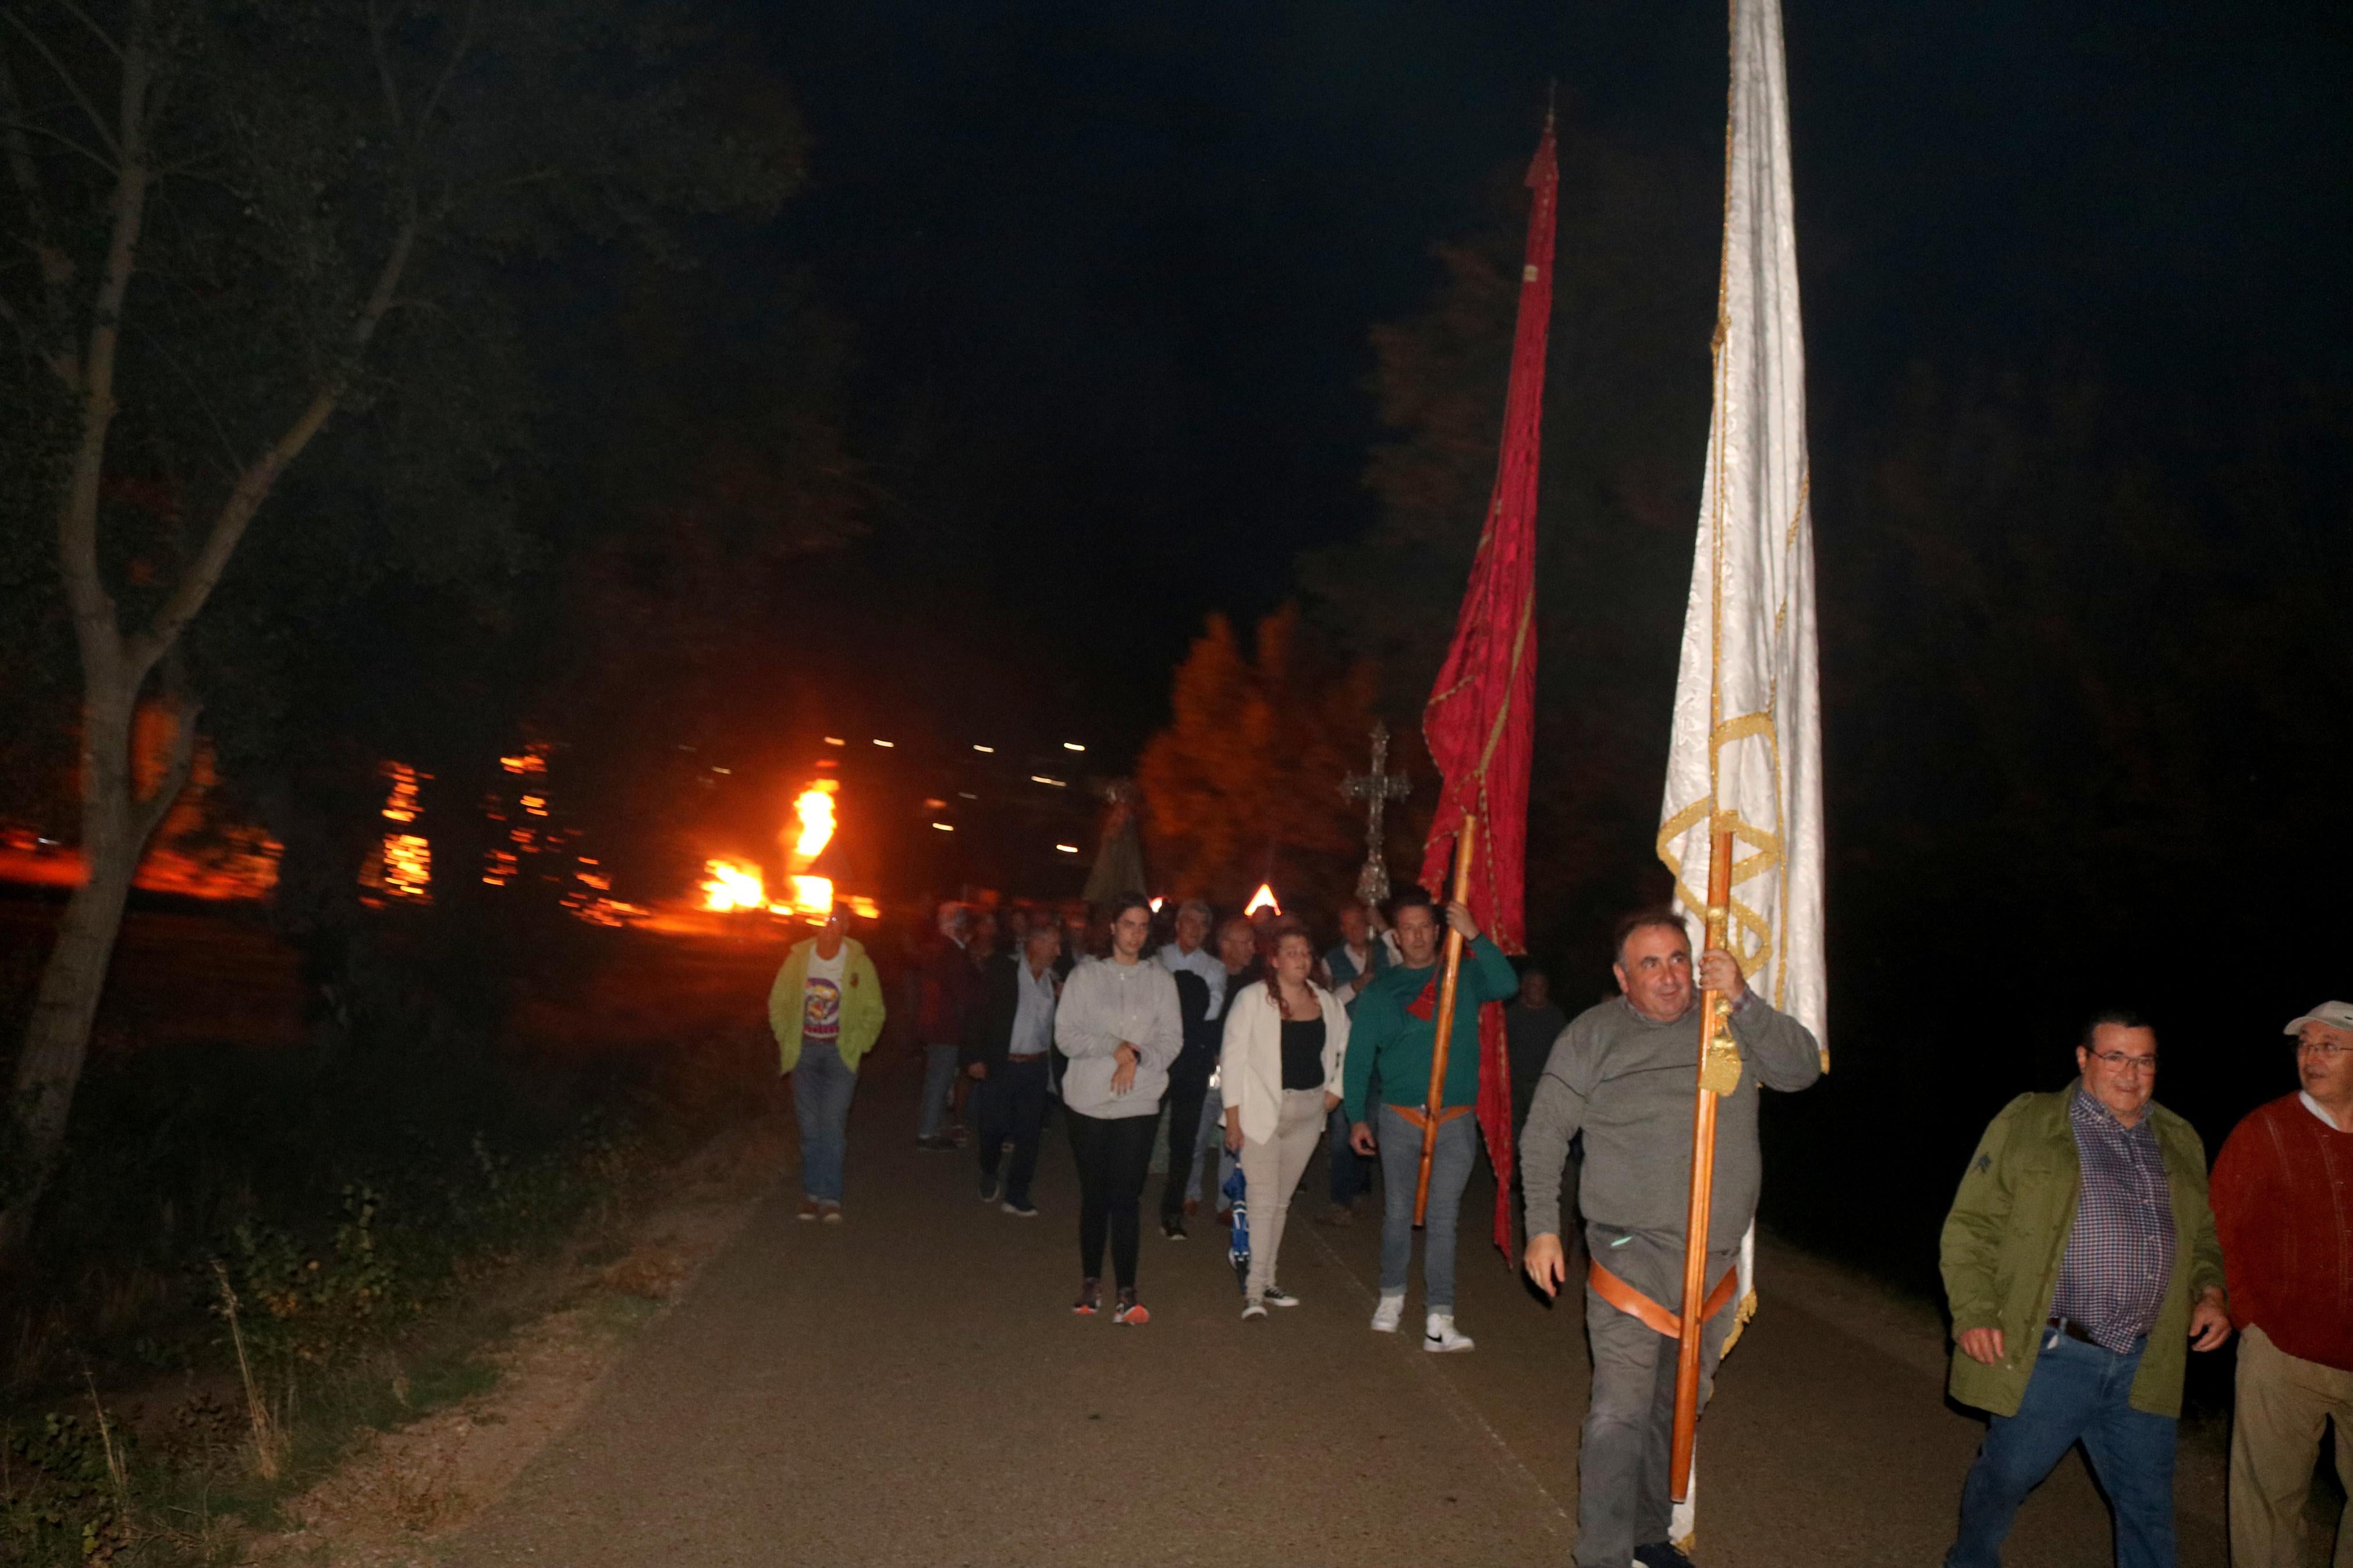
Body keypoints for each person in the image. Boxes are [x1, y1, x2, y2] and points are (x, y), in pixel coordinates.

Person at [1520, 908, 1821, 1568]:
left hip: (1712, 1263)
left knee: (1673, 1408)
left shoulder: (1727, 1023)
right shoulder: (1592, 1035)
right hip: (1629, 1256)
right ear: (1622, 977)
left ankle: (1648, 1535)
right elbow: (1544, 1133)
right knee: (1617, 1415)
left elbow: (1801, 1070)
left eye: (1678, 958)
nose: (1668, 975)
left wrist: (1741, 998)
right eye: (1649, 963)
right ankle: (1599, 1555)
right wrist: (1542, 1227)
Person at [1937, 1011, 2230, 1568]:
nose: (2130, 1072)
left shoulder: (2177, 1136)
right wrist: (1974, 1310)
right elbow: (1971, 1224)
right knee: (2006, 1478)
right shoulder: (2032, 1120)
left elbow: (2202, 1237)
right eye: (2114, 1056)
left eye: (2143, 1059)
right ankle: (1969, 1560)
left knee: (2147, 1505)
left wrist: (2210, 1291)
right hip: (2053, 1353)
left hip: (2145, 1360)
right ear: (2082, 1059)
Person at [1343, 884, 1518, 1352]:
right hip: (1400, 1118)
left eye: (1425, 927)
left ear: (1438, 931)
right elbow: (1358, 1058)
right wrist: (1357, 1117)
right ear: (1395, 937)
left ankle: (1439, 1317)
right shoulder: (1382, 992)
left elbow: (1507, 984)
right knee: (1398, 1211)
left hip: (1455, 1119)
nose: (1417, 936)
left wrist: (1476, 935)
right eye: (1408, 929)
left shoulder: (1462, 976)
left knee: (1444, 1217)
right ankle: (1391, 1297)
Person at [2210, 1000, 2353, 1568]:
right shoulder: (2263, 1130)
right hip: (2281, 1356)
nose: (2310, 1057)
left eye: (2327, 1046)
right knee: (2267, 1512)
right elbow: (2217, 1226)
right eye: (2303, 1045)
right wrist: (2250, 1315)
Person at [1053, 893, 1181, 1325]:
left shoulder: (1160, 980)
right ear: (1112, 926)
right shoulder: (1086, 976)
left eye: (1143, 926)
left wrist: (1138, 1058)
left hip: (1138, 1101)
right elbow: (1067, 1036)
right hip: (1088, 1099)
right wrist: (1115, 1048)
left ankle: (1128, 1288)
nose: (1135, 933)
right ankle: (1091, 1280)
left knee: (1126, 1195)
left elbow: (1171, 1039)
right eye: (1128, 924)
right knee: (1095, 1194)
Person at [1220, 920, 1348, 1318]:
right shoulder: (1253, 999)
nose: (1300, 958)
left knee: (1280, 1202)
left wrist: (1336, 1090)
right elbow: (1233, 1058)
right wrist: (1233, 1118)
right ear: (1273, 959)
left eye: (1305, 952)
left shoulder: (1326, 1002)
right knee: (1261, 1201)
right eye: (1290, 951)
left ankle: (1268, 1279)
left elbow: (1347, 1046)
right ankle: (1254, 1292)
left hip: (1308, 1112)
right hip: (1262, 1112)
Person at [767, 906, 886, 1222]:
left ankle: (831, 1196)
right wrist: (785, 1036)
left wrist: (859, 1044)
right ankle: (811, 1194)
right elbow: (778, 1001)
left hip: (839, 1054)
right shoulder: (799, 959)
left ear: (846, 926)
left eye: (837, 921)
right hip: (805, 1051)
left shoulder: (859, 964)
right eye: (826, 920)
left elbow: (875, 1010)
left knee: (832, 1125)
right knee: (809, 1126)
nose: (830, 927)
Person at [963, 922, 1064, 1218]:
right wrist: (975, 1057)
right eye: (1054, 945)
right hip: (1003, 1063)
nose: (1059, 952)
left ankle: (1017, 1194)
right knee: (993, 1126)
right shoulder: (1003, 973)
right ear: (1036, 944)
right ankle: (990, 1169)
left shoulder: (1053, 982)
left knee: (1030, 1134)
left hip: (1035, 1067)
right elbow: (977, 1014)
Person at [1315, 902, 1389, 1227]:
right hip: (1347, 1053)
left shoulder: (1386, 952)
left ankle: (1359, 1182)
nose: (1356, 929)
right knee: (1345, 1125)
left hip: (1382, 1052)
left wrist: (1384, 927)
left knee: (1370, 1122)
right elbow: (1325, 1002)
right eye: (1349, 924)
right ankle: (1340, 1200)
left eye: (1361, 922)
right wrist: (1357, 985)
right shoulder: (1331, 960)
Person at [1156, 899, 1227, 1239]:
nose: (1194, 930)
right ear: (1177, 924)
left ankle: (1172, 1212)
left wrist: (1173, 999)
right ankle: (1125, 1196)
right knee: (1140, 1130)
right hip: (1157, 1057)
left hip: (1193, 1060)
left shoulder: (1215, 967)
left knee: (1184, 1139)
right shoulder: (1157, 957)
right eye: (1189, 922)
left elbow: (1210, 1009)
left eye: (1201, 924)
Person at [1191, 915, 1264, 1221]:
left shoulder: (1257, 983)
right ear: (1225, 944)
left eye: (1252, 941)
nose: (1252, 948)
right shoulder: (1207, 975)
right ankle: (1189, 1194)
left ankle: (1228, 1200)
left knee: (1233, 1139)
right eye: (1245, 941)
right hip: (1208, 1070)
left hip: (1241, 1075)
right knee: (1197, 1134)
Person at [913, 901, 979, 1150]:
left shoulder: (939, 948)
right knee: (939, 1080)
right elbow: (963, 992)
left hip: (936, 1024)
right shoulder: (952, 952)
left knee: (936, 1079)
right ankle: (928, 1134)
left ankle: (930, 1128)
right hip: (946, 1027)